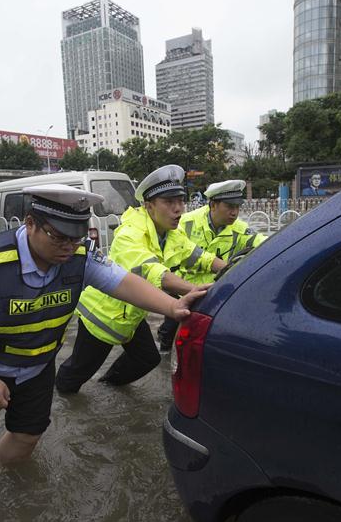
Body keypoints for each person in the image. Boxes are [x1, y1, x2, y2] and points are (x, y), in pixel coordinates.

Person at [0, 184, 206, 467]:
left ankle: (9, 483)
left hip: (38, 367)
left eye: (76, 238)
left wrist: (173, 307)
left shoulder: (80, 256)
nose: (68, 247)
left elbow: (123, 282)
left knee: (27, 437)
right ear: (31, 224)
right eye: (59, 237)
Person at [55, 165, 226, 394]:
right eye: (169, 202)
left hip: (132, 315)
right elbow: (154, 273)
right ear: (149, 205)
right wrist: (196, 290)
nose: (178, 210)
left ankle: (108, 387)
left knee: (148, 359)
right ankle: (60, 402)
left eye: (180, 201)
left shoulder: (171, 233)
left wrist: (231, 270)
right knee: (74, 376)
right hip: (103, 317)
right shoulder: (129, 234)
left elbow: (198, 256)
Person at [156, 179, 267, 351]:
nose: (234, 212)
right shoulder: (184, 223)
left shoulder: (240, 229)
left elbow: (263, 243)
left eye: (238, 207)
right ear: (213, 205)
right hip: (181, 291)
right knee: (169, 337)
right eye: (229, 207)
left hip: (212, 294)